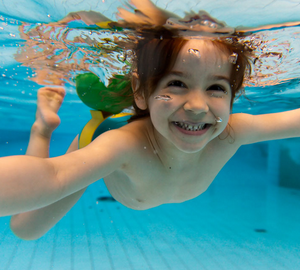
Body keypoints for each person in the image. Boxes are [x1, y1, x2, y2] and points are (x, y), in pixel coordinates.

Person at [2, 2, 300, 240]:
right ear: (142, 93)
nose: (197, 106)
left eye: (216, 88)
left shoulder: (233, 132)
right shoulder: (122, 145)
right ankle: (42, 128)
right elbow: (52, 176)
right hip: (107, 129)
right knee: (26, 228)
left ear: (233, 98)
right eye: (177, 84)